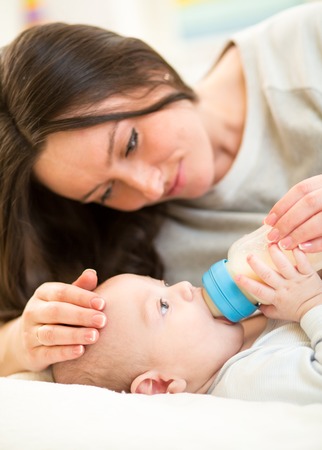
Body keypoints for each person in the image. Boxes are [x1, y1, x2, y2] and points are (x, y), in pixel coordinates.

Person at [1, 2, 322, 376]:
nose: (150, 188)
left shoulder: (305, 50)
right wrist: (19, 343)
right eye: (106, 192)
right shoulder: (133, 257)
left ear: (146, 68)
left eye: (130, 144)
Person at [52, 244, 322, 404]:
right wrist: (310, 305)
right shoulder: (248, 381)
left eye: (166, 285)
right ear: (159, 385)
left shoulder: (237, 340)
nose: (183, 286)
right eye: (164, 306)